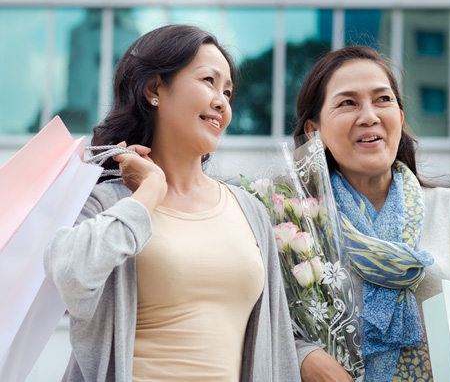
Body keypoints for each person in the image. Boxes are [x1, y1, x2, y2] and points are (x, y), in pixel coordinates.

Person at [44, 25, 301, 382]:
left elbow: (280, 350)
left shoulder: (250, 210)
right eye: (208, 81)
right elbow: (70, 276)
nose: (222, 101)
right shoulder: (109, 200)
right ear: (154, 89)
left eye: (228, 92)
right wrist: (149, 192)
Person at [292, 45, 450, 382]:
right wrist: (304, 356)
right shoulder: (297, 224)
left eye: (383, 100)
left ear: (400, 118)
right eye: (348, 103)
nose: (369, 116)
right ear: (313, 131)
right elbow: (273, 327)